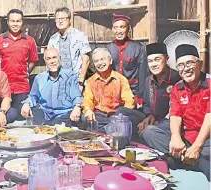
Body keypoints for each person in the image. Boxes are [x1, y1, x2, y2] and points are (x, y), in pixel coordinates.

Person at [144, 44, 210, 181]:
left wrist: (197, 147)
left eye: (190, 63)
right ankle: (196, 160)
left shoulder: (209, 83)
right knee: (149, 132)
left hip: (207, 139)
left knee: (204, 149)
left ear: (200, 64)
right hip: (186, 137)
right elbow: (175, 114)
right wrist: (176, 137)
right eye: (180, 65)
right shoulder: (177, 88)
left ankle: (183, 159)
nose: (186, 69)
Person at [0, 9, 39, 116]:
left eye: (18, 21)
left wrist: (24, 72)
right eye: (12, 21)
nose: (15, 24)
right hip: (4, 88)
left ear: (22, 23)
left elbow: (33, 60)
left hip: (22, 87)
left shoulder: (30, 41)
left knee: (21, 117)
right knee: (5, 116)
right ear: (8, 22)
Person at [20, 48, 83, 126]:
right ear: (45, 62)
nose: (52, 61)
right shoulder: (39, 78)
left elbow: (77, 97)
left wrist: (77, 107)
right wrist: (26, 104)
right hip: (46, 114)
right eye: (48, 59)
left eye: (54, 58)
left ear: (60, 59)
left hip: (64, 114)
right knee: (31, 113)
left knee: (75, 118)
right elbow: (33, 96)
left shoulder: (71, 76)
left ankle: (48, 127)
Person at [82, 48, 135, 132]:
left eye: (102, 59)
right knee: (84, 118)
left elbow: (129, 101)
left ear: (110, 61)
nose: (100, 63)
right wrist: (88, 110)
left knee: (122, 120)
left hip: (116, 116)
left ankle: (105, 130)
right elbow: (87, 100)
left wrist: (121, 119)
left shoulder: (121, 79)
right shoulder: (90, 81)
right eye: (96, 61)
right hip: (98, 116)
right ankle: (108, 129)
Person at [138, 43, 181, 142]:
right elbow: (146, 104)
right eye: (150, 61)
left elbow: (177, 110)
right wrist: (149, 116)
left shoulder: (177, 79)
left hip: (170, 121)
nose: (153, 64)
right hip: (152, 118)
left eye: (157, 59)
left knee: (149, 131)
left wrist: (158, 121)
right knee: (123, 114)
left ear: (166, 59)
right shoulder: (148, 80)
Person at [107, 13, 148, 107]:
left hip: (133, 92)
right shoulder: (108, 49)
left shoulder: (139, 48)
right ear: (112, 29)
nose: (119, 31)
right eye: (116, 27)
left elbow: (143, 75)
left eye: (122, 27)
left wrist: (141, 97)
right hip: (114, 92)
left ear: (128, 28)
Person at [48, 7, 91, 90]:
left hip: (76, 81)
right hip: (59, 82)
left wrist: (81, 82)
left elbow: (86, 60)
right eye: (58, 19)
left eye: (63, 18)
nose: (60, 21)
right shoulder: (53, 39)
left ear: (69, 20)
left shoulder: (80, 36)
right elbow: (50, 61)